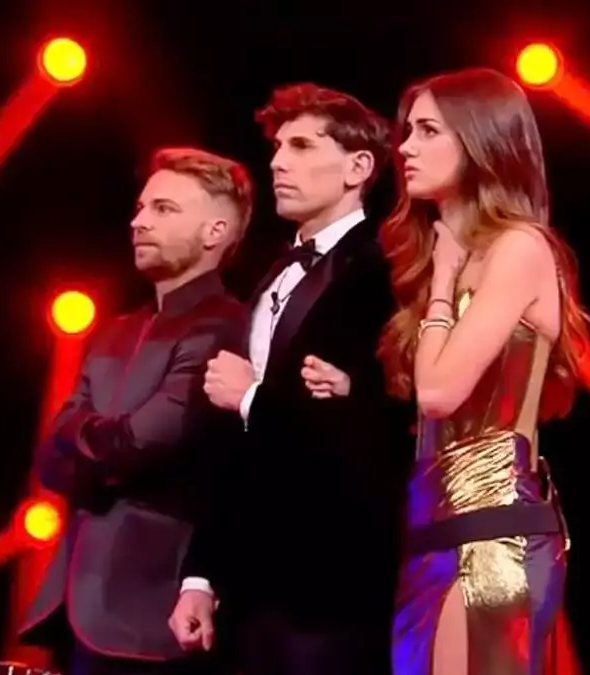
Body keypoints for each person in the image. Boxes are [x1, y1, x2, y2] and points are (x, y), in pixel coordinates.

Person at [168, 83, 414, 675]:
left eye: (302, 146)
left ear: (358, 167)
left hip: (334, 584)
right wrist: (200, 575)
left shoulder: (390, 272)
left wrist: (253, 397)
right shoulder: (269, 276)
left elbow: (381, 431)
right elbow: (233, 443)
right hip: (250, 590)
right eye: (278, 147)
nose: (278, 162)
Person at [375, 68, 590, 674]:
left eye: (427, 131)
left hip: (493, 534)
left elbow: (439, 392)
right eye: (407, 131)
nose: (405, 147)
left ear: (480, 139)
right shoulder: (442, 255)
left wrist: (444, 284)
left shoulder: (519, 247)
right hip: (431, 532)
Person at [19, 147, 254, 675]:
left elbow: (146, 443)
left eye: (163, 209)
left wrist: (85, 442)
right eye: (142, 207)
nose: (139, 221)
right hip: (78, 603)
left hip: (153, 609)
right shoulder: (117, 329)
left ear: (215, 232)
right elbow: (49, 459)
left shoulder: (223, 324)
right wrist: (97, 446)